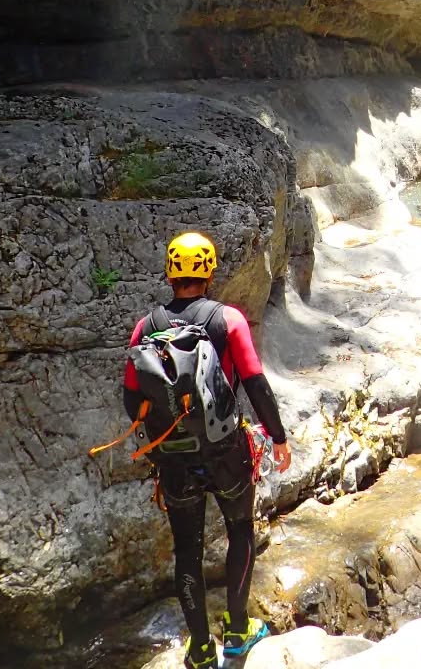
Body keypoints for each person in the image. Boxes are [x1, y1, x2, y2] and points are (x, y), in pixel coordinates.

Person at [122, 232, 292, 669]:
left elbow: (130, 400)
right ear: (210, 272)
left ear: (169, 273)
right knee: (239, 531)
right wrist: (278, 437)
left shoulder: (146, 326)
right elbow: (254, 382)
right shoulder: (227, 319)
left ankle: (200, 651)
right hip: (225, 450)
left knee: (187, 550)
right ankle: (237, 631)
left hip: (174, 457)